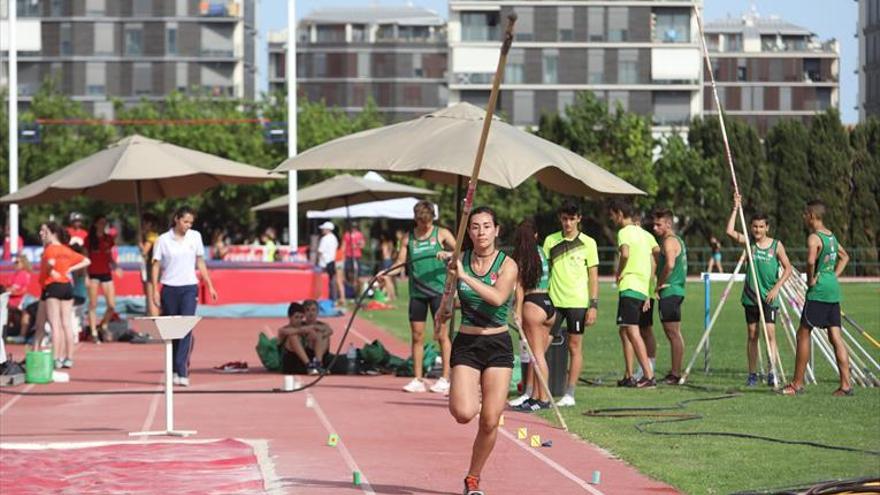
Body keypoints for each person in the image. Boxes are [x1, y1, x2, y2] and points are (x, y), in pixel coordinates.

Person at [443, 206, 518, 495]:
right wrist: (445, 307)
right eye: (475, 227)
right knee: (463, 413)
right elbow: (449, 299)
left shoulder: (507, 264)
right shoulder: (458, 262)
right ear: (469, 232)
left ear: (496, 230)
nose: (481, 232)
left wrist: (464, 277)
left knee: (489, 420)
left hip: (497, 344)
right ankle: (469, 391)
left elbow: (498, 298)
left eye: (487, 226)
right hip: (467, 343)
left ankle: (473, 478)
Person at [384, 200, 455, 393]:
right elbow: (399, 263)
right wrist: (383, 273)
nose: (425, 226)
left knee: (441, 334)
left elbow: (461, 254)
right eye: (421, 222)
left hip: (438, 291)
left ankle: (445, 379)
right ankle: (418, 378)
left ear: (432, 218)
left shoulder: (441, 233)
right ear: (416, 220)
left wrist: (448, 254)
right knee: (417, 336)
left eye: (428, 222)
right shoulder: (408, 238)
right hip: (417, 293)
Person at [782, 200, 852, 396]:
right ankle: (846, 385)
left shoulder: (814, 238)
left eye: (805, 214)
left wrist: (811, 279)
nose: (803, 217)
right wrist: (833, 275)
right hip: (832, 291)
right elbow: (845, 257)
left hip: (819, 292)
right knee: (835, 337)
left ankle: (797, 384)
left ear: (811, 215)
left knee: (803, 333)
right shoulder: (831, 236)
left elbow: (811, 260)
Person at [534, 200, 599, 407]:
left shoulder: (589, 243)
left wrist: (593, 305)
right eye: (564, 219)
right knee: (541, 346)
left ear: (579, 219)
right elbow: (543, 272)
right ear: (560, 219)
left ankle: (569, 394)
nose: (568, 223)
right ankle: (535, 392)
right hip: (553, 301)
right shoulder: (551, 241)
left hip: (577, 303)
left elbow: (593, 276)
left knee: (574, 346)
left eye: (572, 219)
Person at [726, 194, 792, 387]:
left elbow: (787, 269)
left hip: (769, 297)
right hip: (751, 297)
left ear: (767, 227)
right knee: (752, 335)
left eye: (761, 226)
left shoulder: (775, 245)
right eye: (754, 226)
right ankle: (753, 374)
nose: (757, 229)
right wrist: (736, 208)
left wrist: (776, 289)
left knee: (770, 335)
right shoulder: (749, 243)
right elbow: (729, 231)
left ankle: (772, 372)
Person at [152, 206, 218, 387]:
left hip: (189, 287)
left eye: (191, 222)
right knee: (173, 330)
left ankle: (182, 369)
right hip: (170, 288)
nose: (188, 225)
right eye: (185, 221)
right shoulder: (163, 240)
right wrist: (155, 290)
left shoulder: (195, 236)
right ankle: (173, 369)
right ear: (176, 219)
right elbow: (156, 265)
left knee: (186, 327)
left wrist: (210, 285)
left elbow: (200, 262)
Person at [609, 198, 657, 388]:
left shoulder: (624, 232)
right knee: (626, 330)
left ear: (619, 214)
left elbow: (626, 254)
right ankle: (630, 375)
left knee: (632, 330)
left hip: (630, 285)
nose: (612, 220)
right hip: (642, 288)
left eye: (612, 215)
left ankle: (648, 375)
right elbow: (656, 251)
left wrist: (619, 271)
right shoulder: (644, 234)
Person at [510, 219, 556, 412]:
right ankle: (536, 396)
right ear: (536, 236)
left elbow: (519, 287)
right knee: (540, 355)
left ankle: (543, 398)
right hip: (548, 304)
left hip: (533, 304)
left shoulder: (521, 256)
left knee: (536, 356)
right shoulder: (541, 252)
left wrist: (517, 311)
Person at [38, 222, 91, 369]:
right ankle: (69, 358)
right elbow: (87, 260)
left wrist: (51, 271)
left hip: (53, 286)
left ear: (52, 233)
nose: (43, 234)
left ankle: (56, 359)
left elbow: (50, 262)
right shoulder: (66, 250)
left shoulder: (50, 249)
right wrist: (68, 269)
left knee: (55, 325)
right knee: (66, 324)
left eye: (46, 232)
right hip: (67, 286)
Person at [652, 208, 688, 384]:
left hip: (670, 290)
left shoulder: (669, 241)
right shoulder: (675, 240)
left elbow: (671, 265)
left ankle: (675, 373)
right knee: (673, 333)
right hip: (675, 291)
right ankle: (674, 371)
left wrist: (659, 284)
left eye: (658, 224)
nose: (654, 227)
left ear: (668, 224)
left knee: (673, 333)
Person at [86, 214, 121, 342]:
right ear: (95, 224)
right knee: (93, 304)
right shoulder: (89, 239)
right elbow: (85, 258)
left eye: (105, 223)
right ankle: (93, 332)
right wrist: (85, 276)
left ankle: (103, 324)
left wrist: (116, 266)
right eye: (101, 223)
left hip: (106, 273)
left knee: (112, 305)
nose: (103, 225)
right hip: (93, 274)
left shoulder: (108, 239)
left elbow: (110, 256)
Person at [278, 302, 321, 375]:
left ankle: (318, 363)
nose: (299, 320)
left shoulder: (303, 328)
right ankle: (309, 366)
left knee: (315, 336)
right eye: (296, 317)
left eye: (301, 317)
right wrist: (305, 329)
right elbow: (285, 332)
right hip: (289, 364)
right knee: (293, 336)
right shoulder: (283, 330)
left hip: (300, 362)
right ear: (289, 317)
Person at [303, 299, 334, 372]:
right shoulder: (301, 325)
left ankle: (318, 362)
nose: (311, 313)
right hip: (308, 353)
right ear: (304, 313)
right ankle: (318, 364)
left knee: (321, 335)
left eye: (313, 310)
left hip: (322, 352)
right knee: (318, 334)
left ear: (317, 312)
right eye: (308, 310)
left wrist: (318, 335)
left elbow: (330, 331)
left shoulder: (323, 325)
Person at [140, 213, 160, 316]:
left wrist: (139, 242)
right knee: (150, 293)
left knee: (151, 293)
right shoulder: (155, 235)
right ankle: (152, 314)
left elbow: (144, 251)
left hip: (151, 267)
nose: (143, 225)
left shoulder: (152, 236)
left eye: (144, 223)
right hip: (153, 266)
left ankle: (154, 317)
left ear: (150, 224)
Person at [316, 221, 339, 302]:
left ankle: (323, 297)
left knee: (322, 281)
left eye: (324, 229)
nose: (322, 230)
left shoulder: (324, 239)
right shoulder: (334, 238)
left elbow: (320, 251)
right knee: (332, 281)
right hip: (331, 261)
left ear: (328, 229)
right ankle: (333, 298)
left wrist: (317, 260)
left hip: (323, 263)